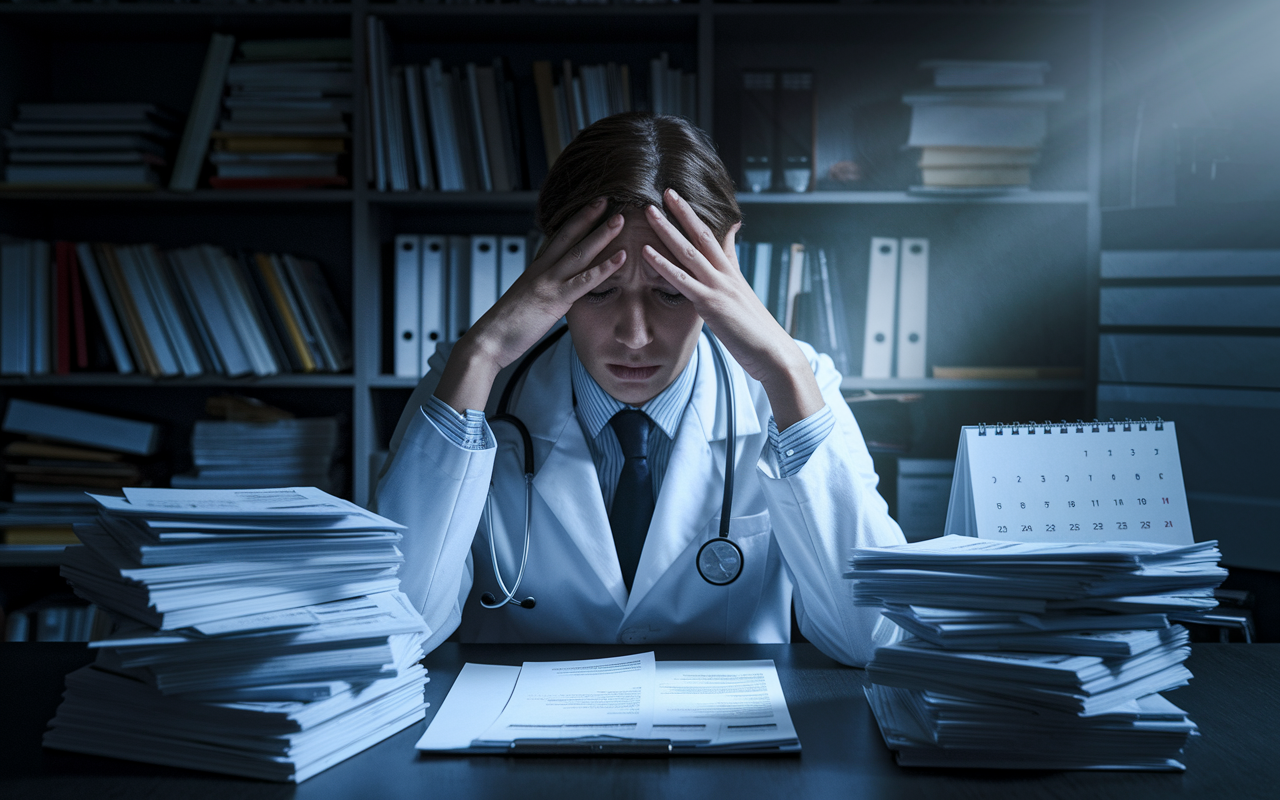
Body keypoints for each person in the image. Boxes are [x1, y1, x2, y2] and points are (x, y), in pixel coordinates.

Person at [374, 112, 905, 667]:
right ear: (548, 272)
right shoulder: (469, 384)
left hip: (729, 748)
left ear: (727, 268)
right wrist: (480, 352)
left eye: (670, 293)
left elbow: (874, 639)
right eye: (600, 290)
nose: (634, 336)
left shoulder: (794, 385)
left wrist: (784, 373)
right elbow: (397, 631)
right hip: (511, 747)